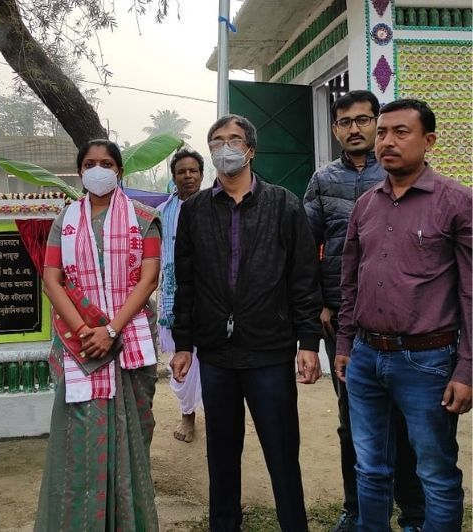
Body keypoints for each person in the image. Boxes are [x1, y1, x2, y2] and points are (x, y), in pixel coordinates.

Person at [169, 115, 322, 532]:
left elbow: (304, 278)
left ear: (251, 149)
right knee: (221, 452)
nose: (225, 147)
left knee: (281, 450)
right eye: (216, 141)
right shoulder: (195, 210)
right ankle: (225, 524)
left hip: (270, 351)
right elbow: (185, 280)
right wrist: (183, 343)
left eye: (234, 140)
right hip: (216, 353)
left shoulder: (284, 204)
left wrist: (308, 341)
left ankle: (294, 524)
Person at [333, 98, 472, 531]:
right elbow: (350, 281)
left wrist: (466, 369)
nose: (387, 142)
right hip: (366, 358)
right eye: (384, 133)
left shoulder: (457, 202)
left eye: (401, 132)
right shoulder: (366, 205)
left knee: (435, 473)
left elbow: (471, 292)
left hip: (428, 361)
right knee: (369, 468)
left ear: (428, 141)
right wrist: (344, 344)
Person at [304, 90, 424, 532]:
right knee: (352, 420)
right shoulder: (322, 180)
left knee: (406, 419)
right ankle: (356, 511)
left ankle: (413, 513)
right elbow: (305, 248)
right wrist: (318, 303)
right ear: (335, 129)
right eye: (345, 122)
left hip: (403, 322)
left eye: (363, 120)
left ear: (376, 123)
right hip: (342, 320)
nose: (354, 129)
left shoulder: (401, 173)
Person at [34, 139, 161, 531]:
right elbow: (51, 279)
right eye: (90, 163)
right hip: (79, 344)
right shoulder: (65, 219)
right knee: (80, 437)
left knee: (133, 433)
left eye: (106, 163)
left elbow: (149, 277)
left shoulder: (144, 218)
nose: (98, 170)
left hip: (130, 337)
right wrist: (84, 330)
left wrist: (109, 329)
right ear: (80, 170)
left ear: (119, 170)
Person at [156, 148, 204, 443]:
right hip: (175, 297)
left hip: (210, 296)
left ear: (201, 174)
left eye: (193, 171)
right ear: (173, 177)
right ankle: (188, 415)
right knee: (181, 358)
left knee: (212, 359)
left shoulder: (216, 206)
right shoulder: (162, 213)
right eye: (181, 171)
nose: (187, 176)